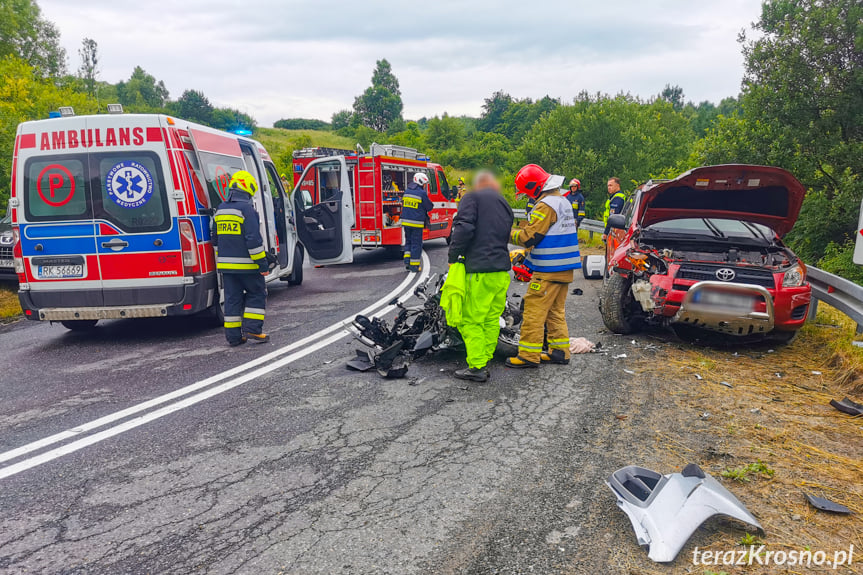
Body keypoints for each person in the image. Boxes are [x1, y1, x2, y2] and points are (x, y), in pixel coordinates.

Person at [507, 164, 581, 368]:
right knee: (554, 312)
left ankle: (528, 356)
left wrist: (508, 233)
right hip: (563, 268)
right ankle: (559, 352)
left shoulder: (545, 205)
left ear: (533, 187)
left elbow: (530, 237)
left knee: (533, 310)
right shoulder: (562, 201)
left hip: (548, 270)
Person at [447, 170, 514, 382]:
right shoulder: (503, 202)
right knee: (492, 319)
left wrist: (453, 255)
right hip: (501, 271)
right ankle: (484, 359)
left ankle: (476, 366)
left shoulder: (471, 198)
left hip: (479, 272)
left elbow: (464, 228)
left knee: (470, 320)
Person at [212, 170, 271, 347]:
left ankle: (234, 337)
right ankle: (253, 328)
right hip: (248, 266)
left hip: (227, 268)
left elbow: (215, 239)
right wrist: (262, 264)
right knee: (257, 293)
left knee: (231, 300)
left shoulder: (220, 209)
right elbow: (253, 240)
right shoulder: (247, 209)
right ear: (248, 188)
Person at [401, 172, 433, 272]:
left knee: (408, 242)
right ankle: (414, 266)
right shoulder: (422, 193)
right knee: (416, 244)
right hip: (416, 223)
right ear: (421, 182)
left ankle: (407, 262)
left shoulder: (407, 191)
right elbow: (429, 206)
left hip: (405, 222)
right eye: (424, 184)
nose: (424, 186)